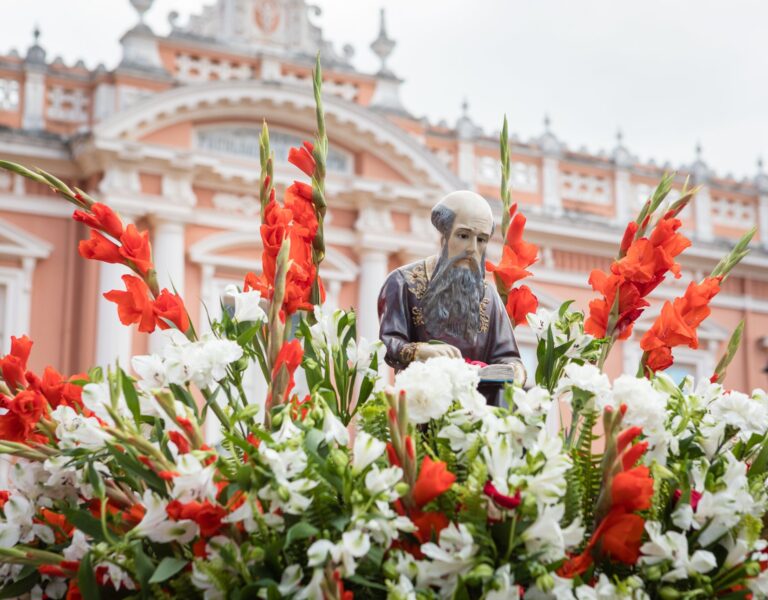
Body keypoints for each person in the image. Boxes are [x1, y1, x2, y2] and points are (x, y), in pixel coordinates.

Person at [377, 190, 526, 401]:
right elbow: (388, 343)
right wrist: (421, 351)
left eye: (481, 240)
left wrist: (516, 372)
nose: (472, 249)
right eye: (463, 236)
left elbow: (507, 356)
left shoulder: (489, 296)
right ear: (443, 236)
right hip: (421, 405)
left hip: (477, 411)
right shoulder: (402, 282)